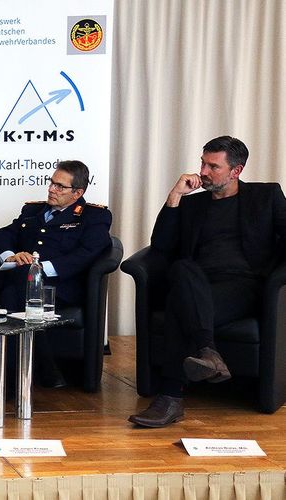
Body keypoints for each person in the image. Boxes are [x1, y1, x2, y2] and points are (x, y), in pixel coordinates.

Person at [128, 135, 286, 428]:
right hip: (197, 281)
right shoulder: (192, 205)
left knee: (179, 300)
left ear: (236, 171)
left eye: (213, 166)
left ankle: (171, 397)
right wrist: (175, 196)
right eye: (202, 163)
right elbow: (160, 247)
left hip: (243, 286)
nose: (203, 172)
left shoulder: (266, 196)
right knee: (183, 270)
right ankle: (207, 351)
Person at [0, 160, 112, 388]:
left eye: (60, 186)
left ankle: (9, 382)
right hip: (21, 281)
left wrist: (40, 268)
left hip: (60, 287)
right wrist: (9, 256)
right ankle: (44, 369)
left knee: (10, 290)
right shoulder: (32, 211)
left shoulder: (93, 216)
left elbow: (89, 253)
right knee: (16, 286)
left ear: (77, 193)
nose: (52, 189)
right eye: (52, 183)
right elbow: (3, 235)